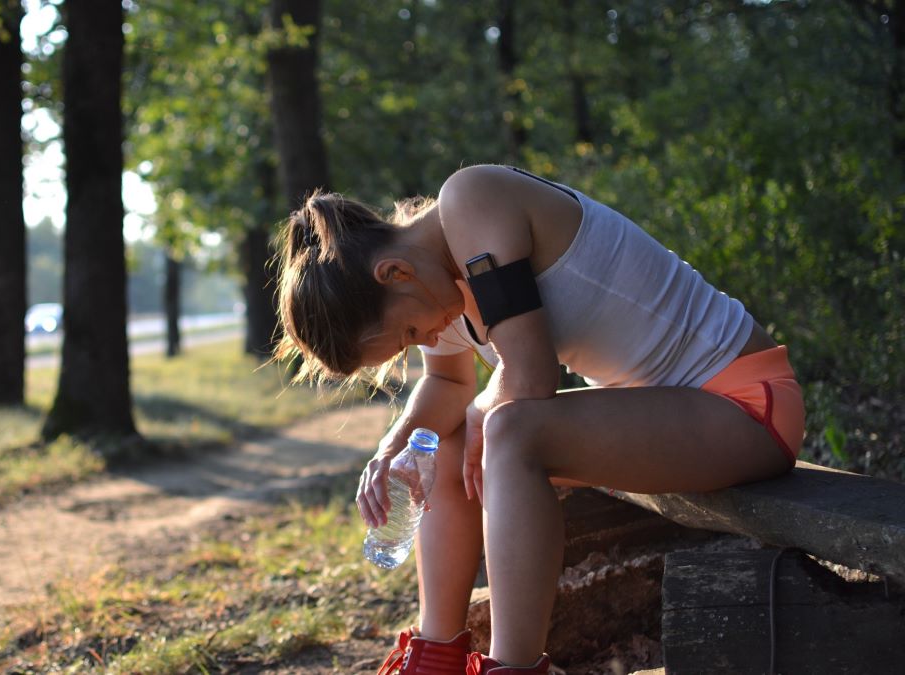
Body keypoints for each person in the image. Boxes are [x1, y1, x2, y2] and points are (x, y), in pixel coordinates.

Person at [271, 164, 805, 675]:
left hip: (744, 406)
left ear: (394, 273)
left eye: (410, 333)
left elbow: (529, 378)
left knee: (507, 430)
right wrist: (395, 444)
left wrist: (481, 411)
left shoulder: (472, 201)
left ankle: (514, 668)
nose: (429, 341)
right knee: (447, 442)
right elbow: (449, 385)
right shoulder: (436, 278)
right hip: (667, 419)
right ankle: (435, 653)